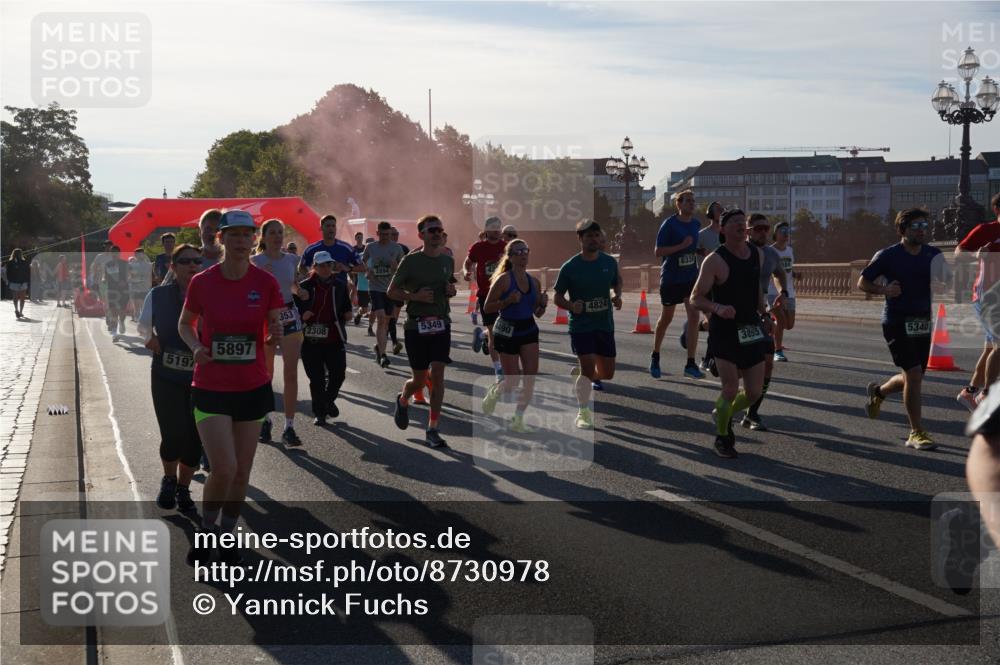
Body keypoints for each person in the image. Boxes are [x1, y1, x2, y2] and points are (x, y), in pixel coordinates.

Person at [178, 209, 284, 564]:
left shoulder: (265, 282)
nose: (241, 241)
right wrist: (196, 347)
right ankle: (207, 531)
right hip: (210, 385)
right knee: (223, 468)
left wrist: (276, 331)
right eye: (234, 235)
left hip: (251, 386)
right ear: (221, 239)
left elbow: (274, 321)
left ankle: (227, 532)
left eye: (246, 235)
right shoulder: (203, 282)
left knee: (242, 470)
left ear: (254, 238)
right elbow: (185, 324)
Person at [858, 208, 949, 451]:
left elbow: (947, 279)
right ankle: (916, 432)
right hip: (896, 321)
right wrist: (884, 291)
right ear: (902, 230)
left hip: (922, 321)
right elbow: (862, 281)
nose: (921, 230)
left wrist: (941, 284)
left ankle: (879, 392)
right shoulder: (888, 255)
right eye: (916, 226)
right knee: (915, 374)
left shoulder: (933, 253)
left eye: (924, 226)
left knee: (914, 377)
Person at [690, 209, 769, 459]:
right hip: (724, 331)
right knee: (731, 388)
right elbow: (695, 298)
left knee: (755, 391)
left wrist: (765, 311)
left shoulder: (757, 254)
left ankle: (722, 412)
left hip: (750, 328)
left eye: (741, 222)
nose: (739, 225)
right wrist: (717, 308)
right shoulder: (714, 260)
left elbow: (755, 285)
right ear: (722, 230)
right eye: (733, 222)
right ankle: (723, 437)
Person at [137, 243, 204, 513]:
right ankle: (169, 478)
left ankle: (184, 488)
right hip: (166, 374)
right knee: (173, 433)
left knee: (195, 438)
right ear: (173, 268)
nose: (192, 266)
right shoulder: (158, 294)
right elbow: (143, 324)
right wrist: (149, 339)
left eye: (196, 261)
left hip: (201, 378)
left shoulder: (209, 294)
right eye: (185, 261)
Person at [387, 215, 458, 448]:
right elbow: (392, 291)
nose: (436, 233)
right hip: (416, 325)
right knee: (418, 380)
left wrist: (451, 291)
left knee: (438, 373)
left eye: (439, 229)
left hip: (441, 323)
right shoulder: (410, 261)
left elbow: (449, 287)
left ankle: (433, 428)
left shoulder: (448, 259)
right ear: (422, 235)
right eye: (431, 230)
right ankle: (403, 399)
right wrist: (414, 296)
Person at [554, 219, 623, 429]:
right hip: (581, 326)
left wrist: (616, 295)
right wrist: (570, 306)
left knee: (608, 373)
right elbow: (557, 296)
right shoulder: (570, 267)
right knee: (587, 369)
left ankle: (584, 375)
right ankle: (583, 412)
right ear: (580, 239)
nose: (594, 239)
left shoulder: (609, 262)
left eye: (596, 235)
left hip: (604, 324)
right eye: (589, 236)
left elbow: (616, 281)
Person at [481, 239, 548, 432]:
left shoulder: (534, 281)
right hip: (507, 330)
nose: (523, 254)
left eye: (525, 250)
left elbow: (538, 313)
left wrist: (543, 303)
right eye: (517, 252)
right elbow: (487, 307)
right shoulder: (504, 280)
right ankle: (495, 392)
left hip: (528, 329)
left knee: (530, 377)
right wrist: (508, 300)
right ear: (509, 257)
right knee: (512, 382)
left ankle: (518, 419)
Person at [251, 219, 305, 446]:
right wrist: (261, 276)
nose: (277, 236)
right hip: (265, 318)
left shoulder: (292, 259)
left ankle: (289, 427)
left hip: (289, 315)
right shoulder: (255, 261)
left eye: (280, 232)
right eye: (272, 232)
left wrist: (299, 291)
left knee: (291, 373)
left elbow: (291, 284)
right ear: (263, 237)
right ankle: (265, 419)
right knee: (266, 373)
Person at [651, 190, 705, 380]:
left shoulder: (696, 224)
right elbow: (658, 252)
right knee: (666, 318)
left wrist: (698, 250)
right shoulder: (669, 224)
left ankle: (690, 364)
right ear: (679, 204)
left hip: (690, 277)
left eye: (693, 201)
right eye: (687, 201)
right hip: (672, 278)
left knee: (694, 315)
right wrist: (681, 246)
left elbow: (691, 247)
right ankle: (655, 355)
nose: (691, 204)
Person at [742, 214, 788, 431]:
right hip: (738, 314)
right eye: (758, 228)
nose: (763, 232)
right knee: (740, 367)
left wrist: (783, 291)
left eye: (766, 228)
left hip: (760, 315)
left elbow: (779, 274)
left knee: (767, 363)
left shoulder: (770, 253)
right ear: (748, 230)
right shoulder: (739, 251)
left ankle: (752, 413)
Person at [295, 251, 352, 425]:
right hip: (310, 339)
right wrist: (302, 315)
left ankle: (328, 401)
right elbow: (293, 312)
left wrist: (348, 314)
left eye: (329, 265)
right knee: (317, 378)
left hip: (333, 338)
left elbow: (347, 309)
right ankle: (320, 413)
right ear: (315, 267)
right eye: (322, 265)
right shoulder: (303, 287)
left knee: (338, 374)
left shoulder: (340, 285)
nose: (326, 268)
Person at [955, 193, 1000, 411]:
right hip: (988, 295)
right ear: (998, 210)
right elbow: (959, 252)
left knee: (990, 347)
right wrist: (976, 256)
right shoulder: (986, 231)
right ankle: (987, 395)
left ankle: (970, 392)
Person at [464, 216, 508, 378]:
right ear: (487, 229)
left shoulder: (506, 247)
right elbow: (467, 262)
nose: (496, 230)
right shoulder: (478, 247)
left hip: (505, 295)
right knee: (494, 332)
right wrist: (465, 272)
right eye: (493, 227)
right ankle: (498, 369)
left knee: (505, 331)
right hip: (486, 295)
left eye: (498, 227)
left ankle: (482, 336)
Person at [363, 221, 405, 368]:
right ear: (377, 233)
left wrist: (397, 267)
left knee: (386, 321)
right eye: (382, 234)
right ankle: (383, 355)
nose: (386, 237)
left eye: (388, 235)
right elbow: (362, 260)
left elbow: (404, 267)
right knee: (381, 318)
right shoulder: (371, 247)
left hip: (390, 289)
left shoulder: (397, 248)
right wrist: (367, 271)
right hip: (375, 288)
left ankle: (379, 348)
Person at [696, 201, 724, 370]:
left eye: (723, 210)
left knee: (716, 323)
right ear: (710, 214)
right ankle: (708, 359)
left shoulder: (727, 234)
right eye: (719, 210)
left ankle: (698, 326)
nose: (722, 212)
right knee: (714, 322)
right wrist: (703, 253)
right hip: (705, 284)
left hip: (722, 285)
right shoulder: (702, 234)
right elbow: (692, 250)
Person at [300, 214, 361, 285]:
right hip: (318, 292)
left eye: (333, 226)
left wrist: (347, 268)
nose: (331, 228)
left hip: (340, 292)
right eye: (328, 226)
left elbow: (363, 267)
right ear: (321, 228)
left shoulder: (346, 247)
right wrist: (312, 276)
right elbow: (301, 267)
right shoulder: (311, 249)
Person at [769, 222, 796, 362]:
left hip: (790, 292)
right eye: (782, 231)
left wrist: (795, 274)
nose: (786, 233)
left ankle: (768, 326)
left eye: (787, 231)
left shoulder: (790, 250)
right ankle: (777, 350)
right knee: (781, 321)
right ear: (775, 234)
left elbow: (789, 269)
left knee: (789, 325)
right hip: (774, 293)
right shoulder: (770, 251)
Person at [104, 246, 131, 340]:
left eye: (116, 252)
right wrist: (104, 280)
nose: (114, 254)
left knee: (122, 311)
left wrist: (125, 281)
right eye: (113, 252)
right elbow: (105, 276)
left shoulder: (125, 263)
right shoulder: (107, 264)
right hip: (111, 290)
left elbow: (130, 275)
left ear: (119, 253)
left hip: (123, 290)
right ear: (111, 253)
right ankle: (114, 333)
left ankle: (122, 322)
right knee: (113, 311)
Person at [3, 249, 31, 319]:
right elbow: (27, 272)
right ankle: (20, 311)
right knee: (22, 298)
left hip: (15, 282)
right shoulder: (23, 262)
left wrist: (9, 280)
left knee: (16, 298)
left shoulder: (10, 262)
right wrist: (27, 280)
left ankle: (17, 310)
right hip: (21, 282)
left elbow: (8, 273)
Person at [128, 248, 153, 323]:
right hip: (136, 289)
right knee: (137, 308)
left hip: (146, 289)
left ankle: (144, 324)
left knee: (145, 308)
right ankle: (140, 324)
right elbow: (127, 277)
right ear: (135, 255)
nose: (140, 255)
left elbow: (151, 277)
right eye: (138, 254)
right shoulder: (131, 265)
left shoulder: (149, 265)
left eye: (142, 253)